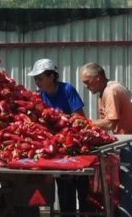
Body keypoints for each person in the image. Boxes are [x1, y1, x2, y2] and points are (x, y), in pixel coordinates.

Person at [80, 62, 132, 217]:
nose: (85, 86)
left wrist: (84, 123)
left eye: (87, 82)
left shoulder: (111, 91)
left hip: (131, 142)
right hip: (131, 142)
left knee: (130, 189)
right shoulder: (106, 90)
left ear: (97, 78)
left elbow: (111, 122)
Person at [27, 58, 90, 215]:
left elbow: (80, 119)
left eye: (40, 78)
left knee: (83, 191)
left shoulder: (67, 90)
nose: (37, 82)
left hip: (74, 145)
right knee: (64, 190)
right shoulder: (38, 96)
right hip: (55, 148)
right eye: (36, 78)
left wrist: (60, 119)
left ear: (52, 77)